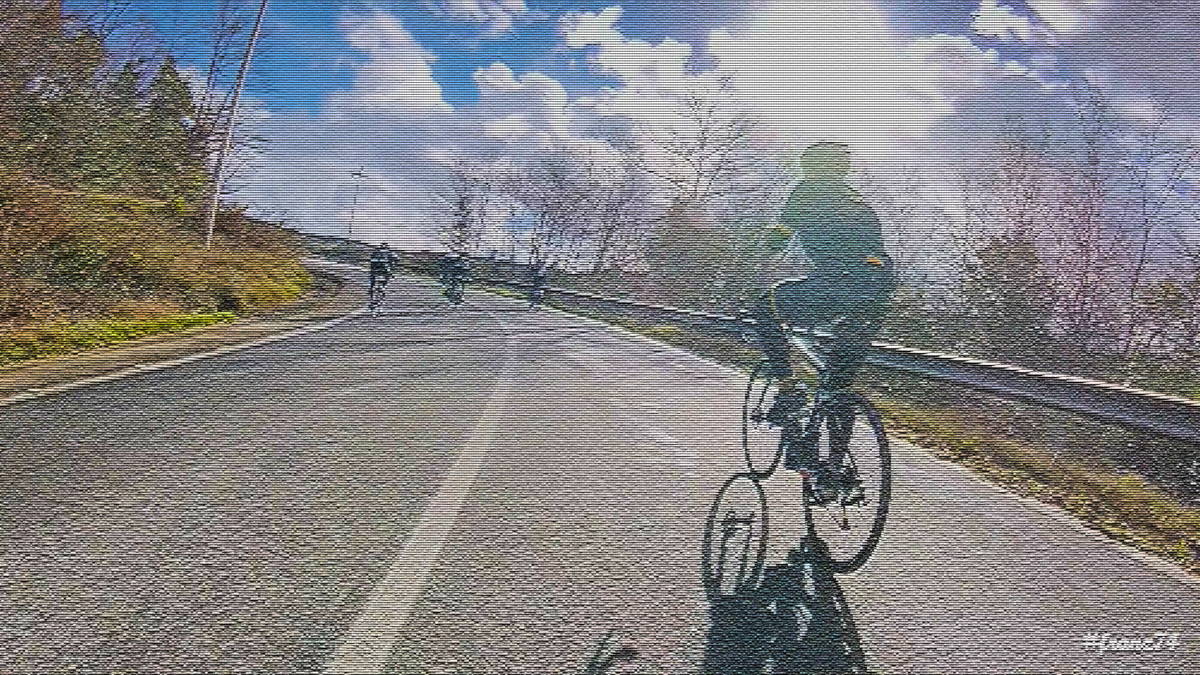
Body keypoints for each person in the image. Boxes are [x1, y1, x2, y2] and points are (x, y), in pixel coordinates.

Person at [754, 142, 897, 477]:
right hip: (877, 289)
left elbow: (778, 239)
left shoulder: (807, 191)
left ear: (812, 167)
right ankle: (833, 472)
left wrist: (751, 259)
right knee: (838, 385)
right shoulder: (859, 201)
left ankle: (787, 389)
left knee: (766, 306)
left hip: (836, 284)